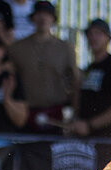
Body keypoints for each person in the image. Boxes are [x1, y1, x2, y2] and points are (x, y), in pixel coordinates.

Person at [7, 0, 77, 135]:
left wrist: (75, 112)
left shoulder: (65, 48)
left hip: (55, 112)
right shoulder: (17, 48)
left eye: (47, 14)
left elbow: (75, 81)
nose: (43, 18)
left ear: (53, 19)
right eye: (39, 14)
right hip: (26, 112)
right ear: (33, 18)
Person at [68, 17, 111, 139]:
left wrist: (90, 125)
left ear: (108, 38)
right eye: (90, 34)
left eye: (98, 33)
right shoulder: (89, 68)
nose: (93, 38)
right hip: (86, 140)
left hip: (108, 141)